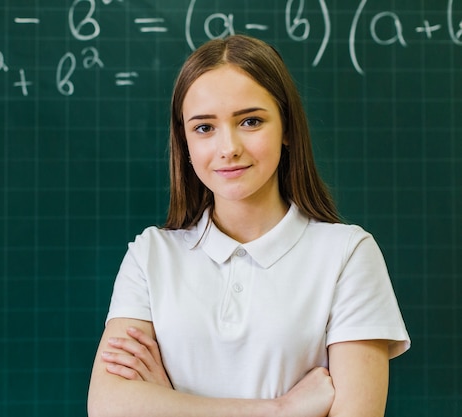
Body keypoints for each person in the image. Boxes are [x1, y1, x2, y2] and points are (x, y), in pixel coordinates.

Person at [87, 34, 410, 417]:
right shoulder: (150, 256)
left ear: (287, 128)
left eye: (251, 121)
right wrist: (279, 410)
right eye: (204, 128)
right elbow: (108, 406)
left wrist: (169, 404)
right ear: (184, 141)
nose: (228, 147)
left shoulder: (347, 255)